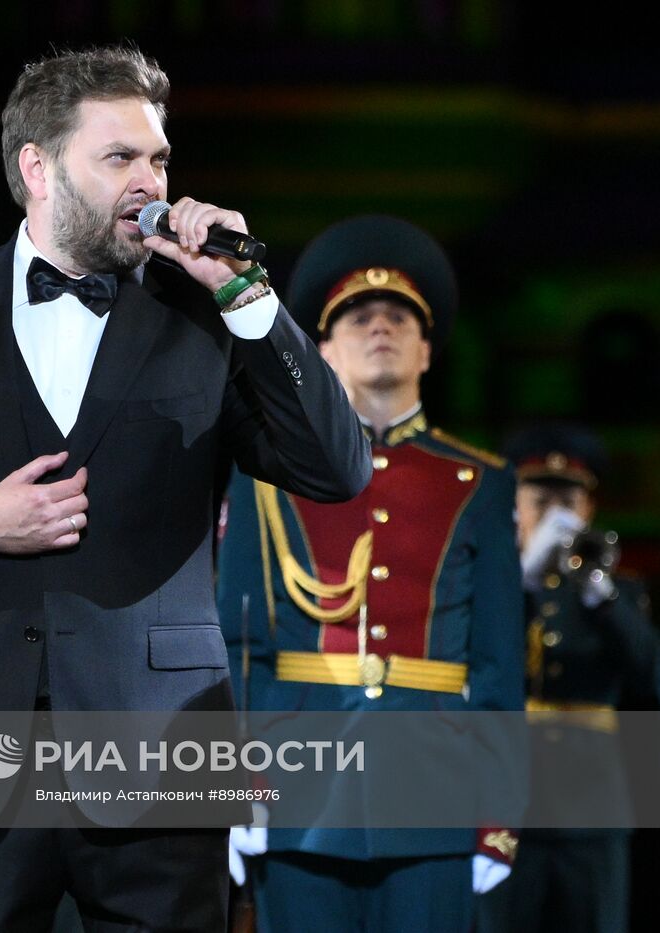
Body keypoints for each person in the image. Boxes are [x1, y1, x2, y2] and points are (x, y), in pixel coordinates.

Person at [0, 47, 369, 932]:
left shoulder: (203, 317)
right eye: (120, 158)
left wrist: (246, 296)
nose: (152, 182)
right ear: (38, 167)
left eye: (159, 159)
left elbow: (336, 469)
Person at [217, 215, 525, 932]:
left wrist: (499, 813)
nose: (379, 326)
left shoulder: (481, 482)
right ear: (322, 348)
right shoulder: (266, 477)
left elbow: (500, 668)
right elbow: (241, 645)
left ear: (428, 347)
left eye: (398, 316)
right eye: (358, 316)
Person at [476, 424, 659, 933]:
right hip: (509, 799)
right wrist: (522, 580)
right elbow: (481, 661)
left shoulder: (618, 593)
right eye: (540, 499)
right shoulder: (493, 585)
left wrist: (601, 596)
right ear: (514, 508)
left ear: (589, 509)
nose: (555, 514)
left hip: (593, 804)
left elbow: (650, 673)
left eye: (568, 500)